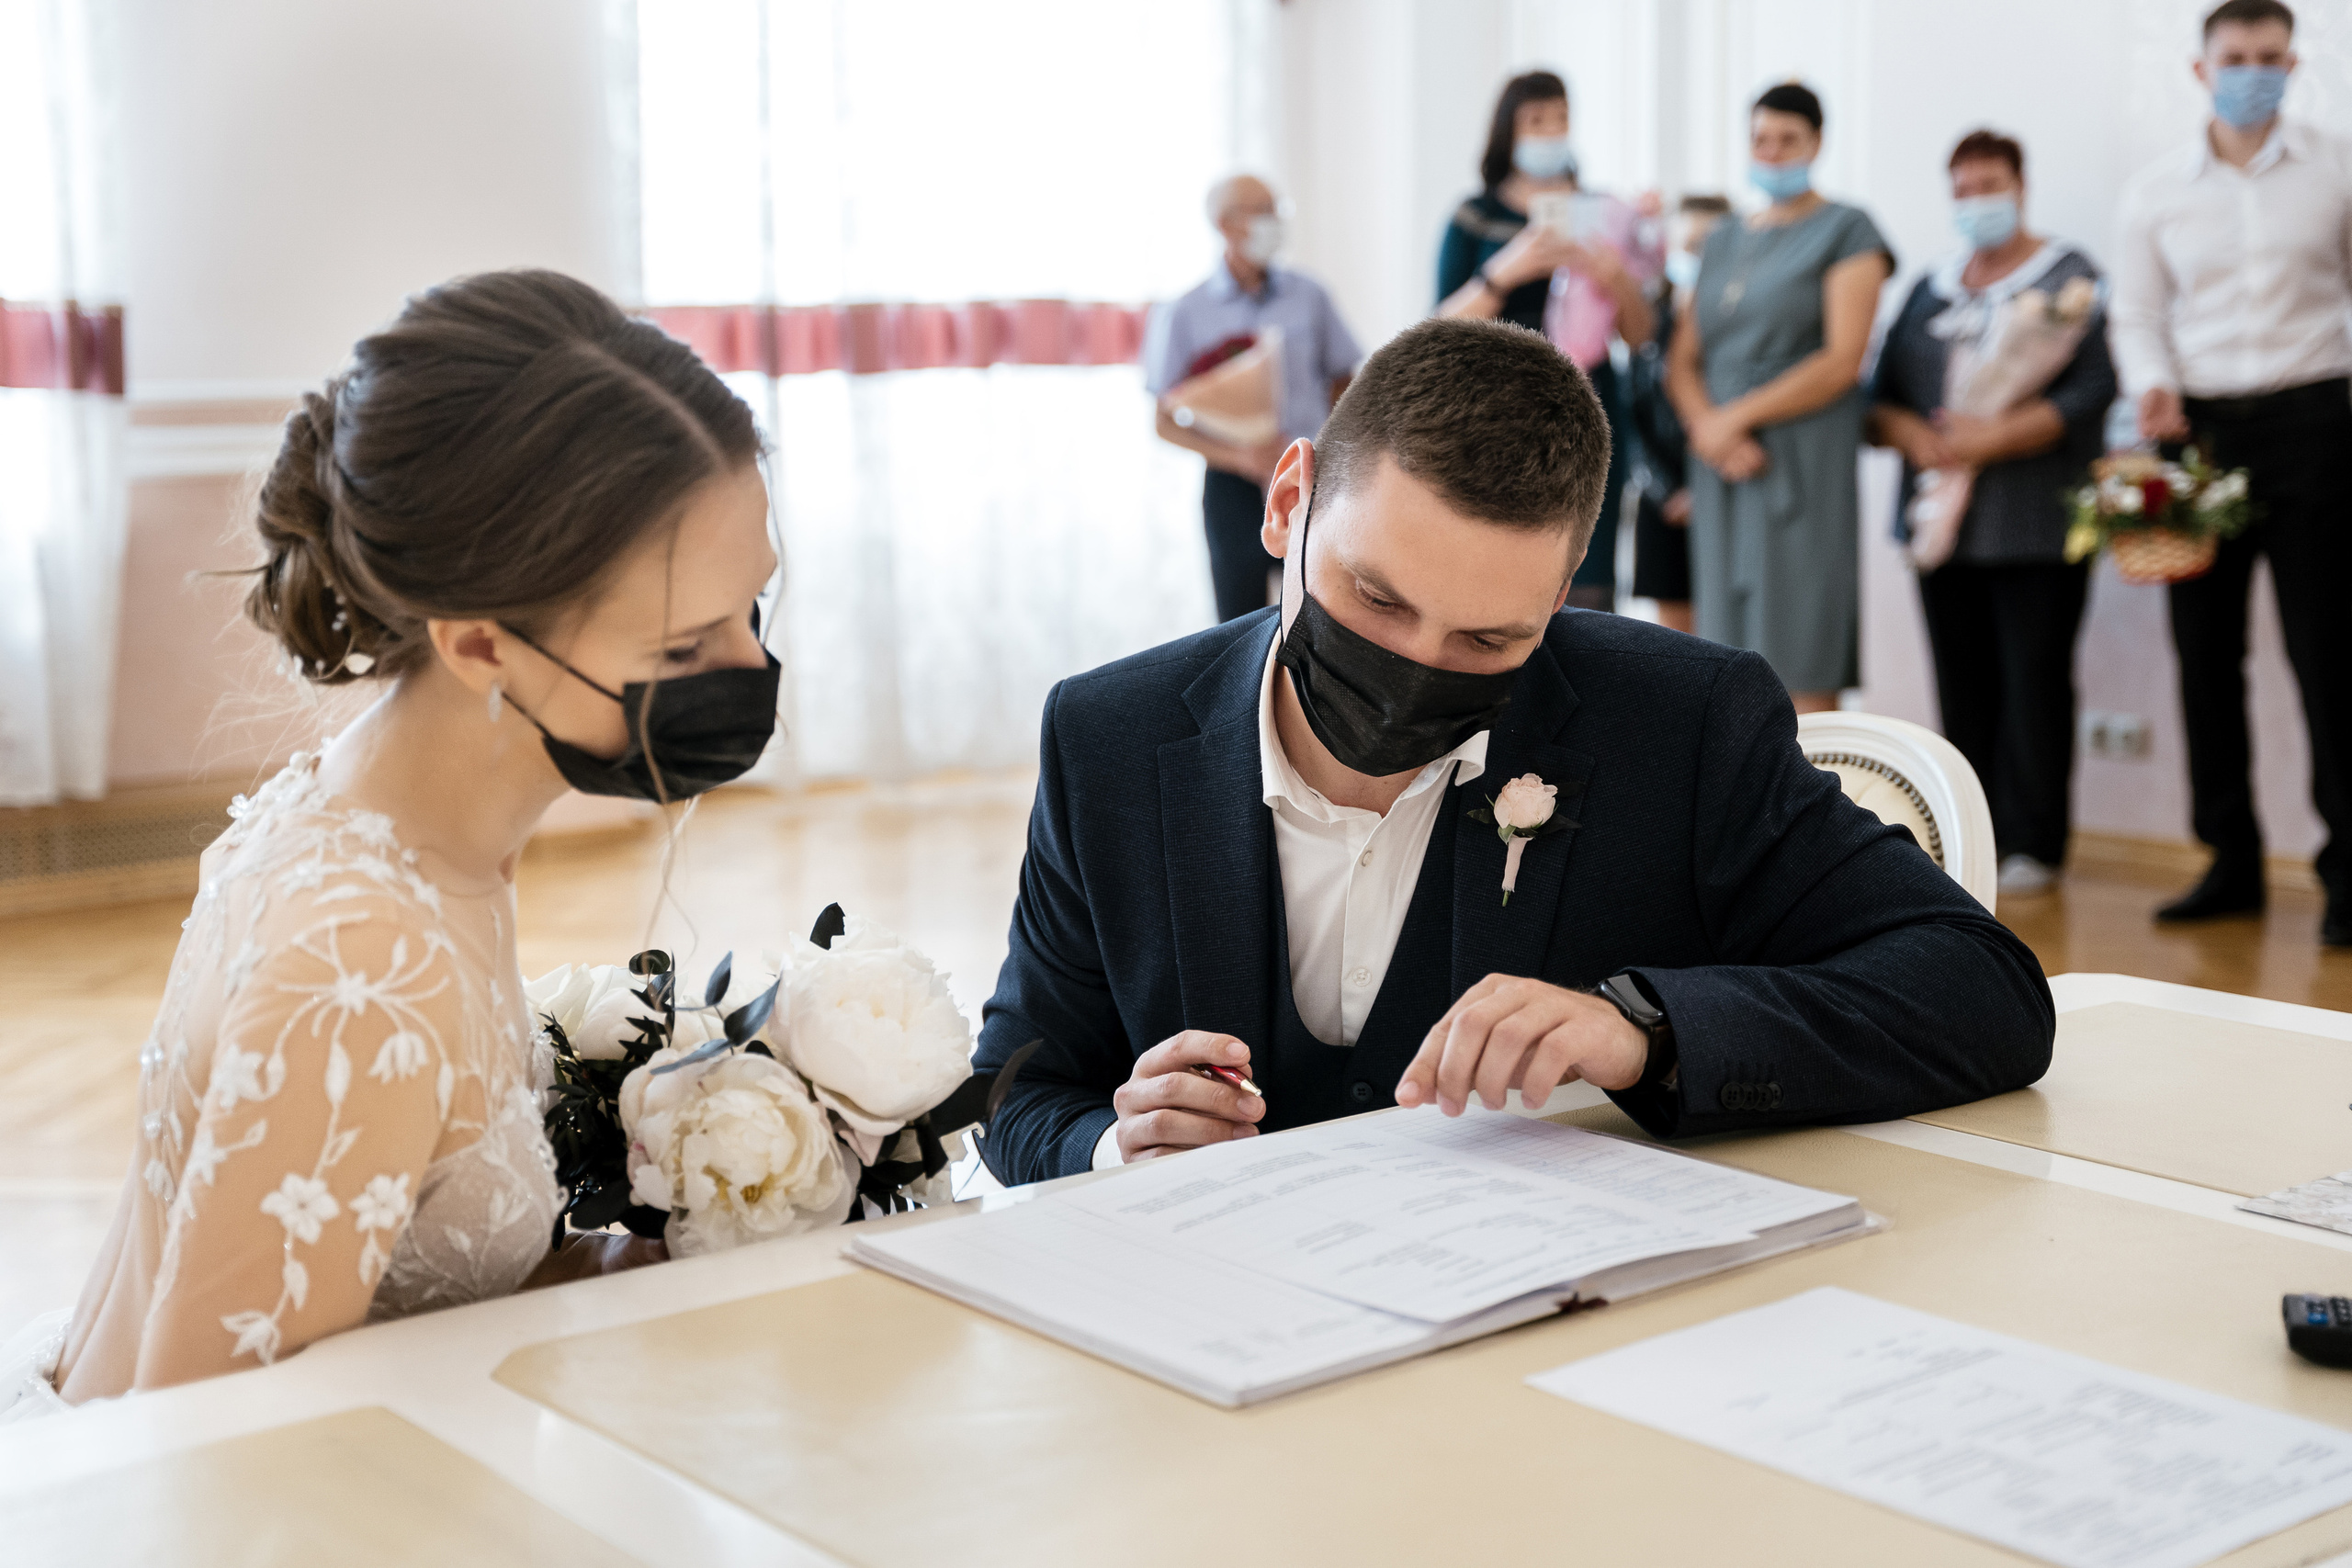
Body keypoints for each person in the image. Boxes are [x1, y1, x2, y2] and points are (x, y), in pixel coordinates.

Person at [970, 317, 2052, 1184]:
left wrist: (1648, 1033)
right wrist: (1115, 1147)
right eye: (1373, 598)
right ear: (1289, 502)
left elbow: (1981, 993)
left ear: (1563, 592)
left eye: (1488, 639)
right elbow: (1019, 1089)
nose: (1414, 663)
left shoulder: (1679, 724)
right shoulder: (1107, 736)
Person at [2, 270, 781, 1416]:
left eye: (753, 610)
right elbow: (206, 1461)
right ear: (478, 646)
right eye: (684, 647)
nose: (752, 675)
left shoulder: (399, 819)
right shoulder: (363, 968)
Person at [2112, 0, 2352, 947]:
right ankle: (2229, 861)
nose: (2253, 70)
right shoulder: (2155, 191)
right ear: (2201, 70)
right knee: (2205, 658)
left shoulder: (2334, 166)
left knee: (2327, 657)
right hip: (2195, 438)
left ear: (2291, 63)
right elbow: (2135, 313)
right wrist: (2153, 387)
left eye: (2269, 56)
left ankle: (2347, 872)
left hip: (2316, 423)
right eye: (2235, 57)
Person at [1868, 131, 2117, 898]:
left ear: (2021, 185)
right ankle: (1966, 829)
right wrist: (1913, 433)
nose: (1977, 200)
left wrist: (1996, 434)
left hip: (2035, 520)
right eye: (1964, 187)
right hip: (1944, 528)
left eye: (1991, 184)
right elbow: (1881, 396)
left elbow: (2091, 393)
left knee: (2034, 681)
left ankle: (2036, 841)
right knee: (1962, 684)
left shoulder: (2068, 278)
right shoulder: (1930, 286)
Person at [1667, 83, 1894, 713]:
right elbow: (1683, 358)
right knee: (1721, 652)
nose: (1771, 152)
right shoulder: (1720, 239)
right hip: (1721, 463)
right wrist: (1708, 428)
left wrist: (1733, 419)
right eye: (1760, 138)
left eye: (1787, 139)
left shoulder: (1848, 229)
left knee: (1800, 640)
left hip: (1798, 454)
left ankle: (1814, 806)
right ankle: (1736, 809)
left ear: (1817, 143)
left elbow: (1842, 360)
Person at [1436, 70, 1658, 613]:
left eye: (1560, 119)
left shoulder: (1604, 211)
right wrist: (1507, 271)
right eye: (1536, 120)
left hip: (1590, 404)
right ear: (1508, 130)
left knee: (1588, 572)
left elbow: (1641, 333)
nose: (1550, 132)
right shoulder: (1475, 217)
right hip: (1498, 412)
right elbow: (1441, 329)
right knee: (1500, 564)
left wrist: (1617, 277)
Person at [1146, 175, 1363, 625]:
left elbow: (1345, 380)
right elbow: (1164, 421)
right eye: (1262, 212)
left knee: (1320, 613)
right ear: (1225, 225)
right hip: (1232, 485)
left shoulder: (1310, 295)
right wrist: (1243, 456)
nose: (1274, 222)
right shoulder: (1186, 311)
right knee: (1236, 622)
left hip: (1311, 474)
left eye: (1277, 210)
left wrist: (1332, 448)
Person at [1627, 195, 1732, 634]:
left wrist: (1706, 491)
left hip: (1728, 494)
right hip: (1663, 503)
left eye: (1708, 244)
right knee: (1672, 639)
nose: (1696, 255)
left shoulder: (1741, 325)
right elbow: (1629, 415)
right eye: (1687, 243)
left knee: (1731, 634)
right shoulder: (1647, 321)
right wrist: (1665, 490)